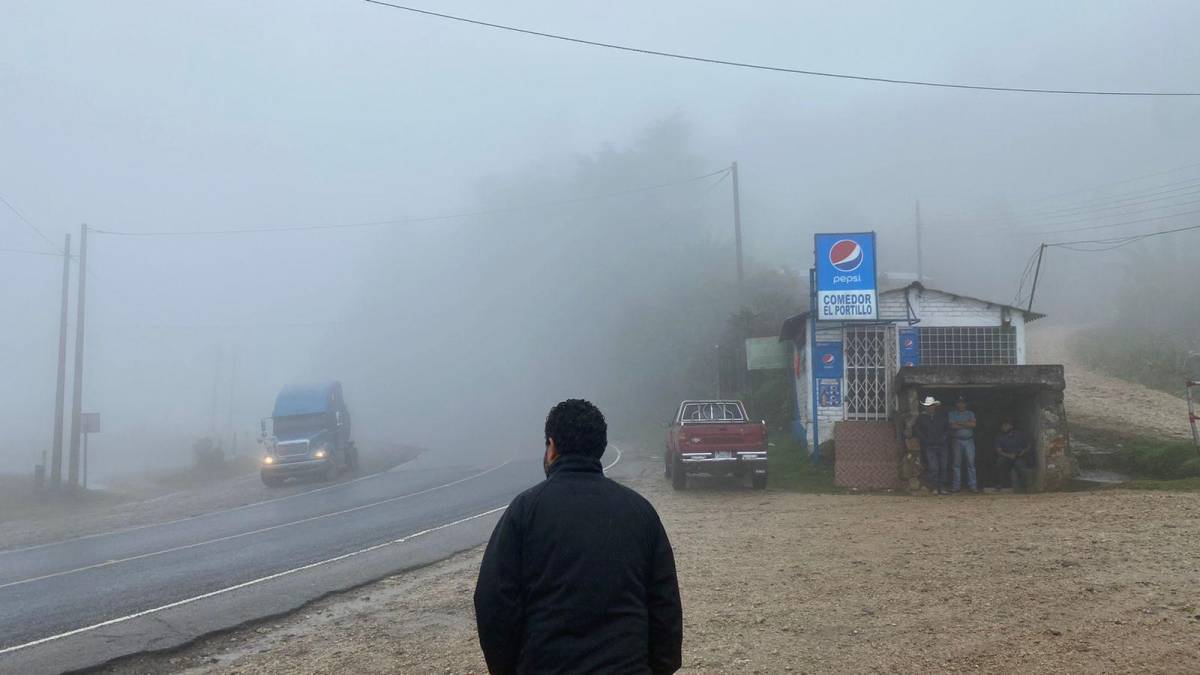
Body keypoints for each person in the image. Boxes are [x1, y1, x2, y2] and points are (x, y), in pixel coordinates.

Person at [474, 399, 683, 674]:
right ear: (600, 448)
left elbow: (493, 603)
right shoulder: (640, 511)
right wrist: (657, 666)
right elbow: (664, 604)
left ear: (552, 447)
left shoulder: (524, 511)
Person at [914, 396, 950, 495]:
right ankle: (934, 487)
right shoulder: (921, 418)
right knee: (933, 467)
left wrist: (944, 438)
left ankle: (942, 486)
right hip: (929, 446)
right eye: (928, 406)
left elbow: (947, 429)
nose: (930, 407)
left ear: (935, 406)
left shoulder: (941, 416)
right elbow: (917, 430)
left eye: (931, 406)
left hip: (942, 445)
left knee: (944, 466)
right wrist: (925, 440)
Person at [947, 396, 978, 493]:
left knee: (971, 464)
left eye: (963, 402)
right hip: (956, 440)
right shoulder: (952, 414)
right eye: (959, 402)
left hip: (969, 440)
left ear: (965, 404)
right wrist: (966, 424)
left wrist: (959, 423)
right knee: (956, 464)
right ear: (956, 404)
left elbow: (973, 425)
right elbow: (952, 426)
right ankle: (956, 486)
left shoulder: (970, 413)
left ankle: (973, 486)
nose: (961, 404)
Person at [995, 417, 1034, 492]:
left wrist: (1024, 451)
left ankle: (1026, 487)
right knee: (1000, 462)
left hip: (1019, 456)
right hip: (1007, 457)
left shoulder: (1021, 434)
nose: (1004, 427)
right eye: (1003, 426)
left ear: (1011, 426)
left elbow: (1029, 445)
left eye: (1006, 425)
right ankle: (1002, 484)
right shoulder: (999, 437)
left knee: (1021, 467)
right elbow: (999, 451)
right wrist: (1008, 455)